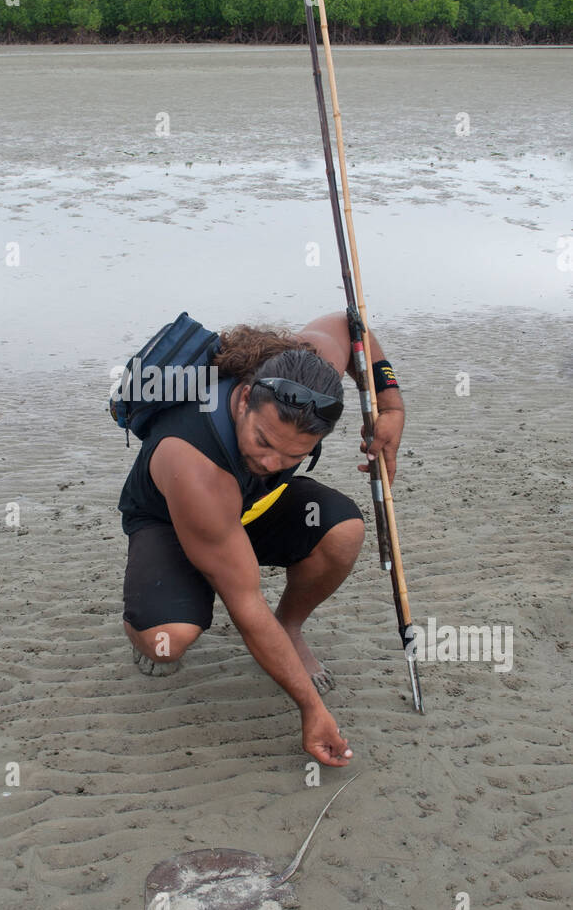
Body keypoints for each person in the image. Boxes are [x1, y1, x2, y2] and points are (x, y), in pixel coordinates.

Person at [117, 311, 405, 768]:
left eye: (295, 454)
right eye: (263, 441)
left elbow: (352, 327)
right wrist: (311, 708)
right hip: (172, 518)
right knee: (169, 638)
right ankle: (139, 624)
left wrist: (391, 410)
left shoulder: (313, 368)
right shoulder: (195, 463)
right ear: (246, 397)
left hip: (249, 507)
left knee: (344, 531)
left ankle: (289, 627)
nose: (272, 462)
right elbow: (245, 606)